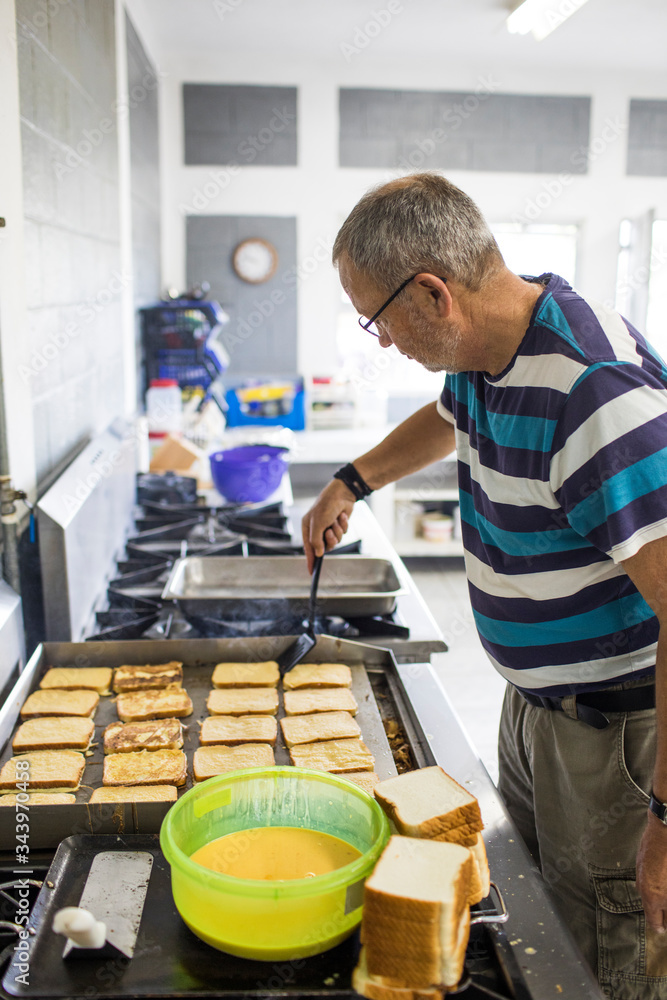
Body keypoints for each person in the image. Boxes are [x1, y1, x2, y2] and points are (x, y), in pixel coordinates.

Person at [302, 172, 667, 998]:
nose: (381, 341)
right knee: (538, 916)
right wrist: (351, 481)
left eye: (378, 319)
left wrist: (666, 825)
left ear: (432, 293)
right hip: (538, 708)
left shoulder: (595, 394)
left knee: (603, 950)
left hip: (617, 738)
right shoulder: (487, 349)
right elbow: (446, 416)